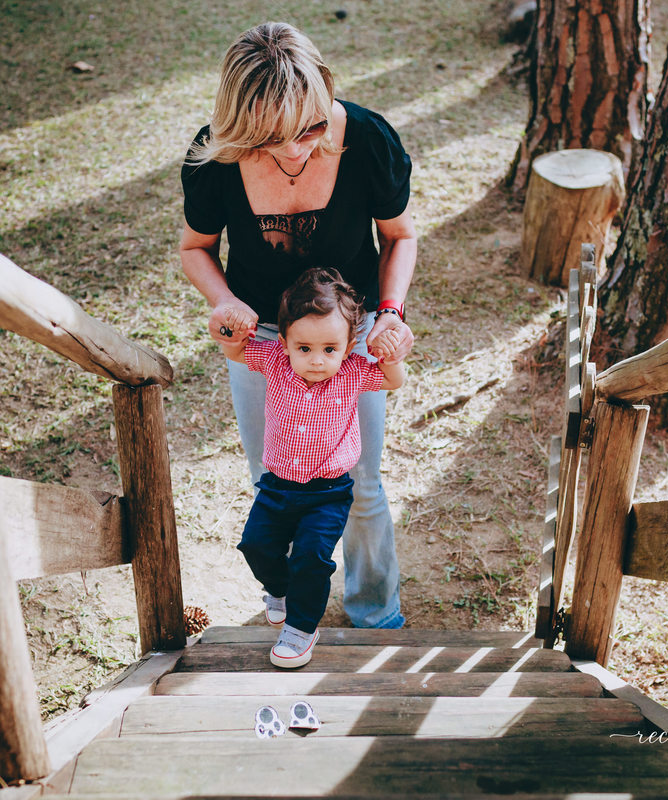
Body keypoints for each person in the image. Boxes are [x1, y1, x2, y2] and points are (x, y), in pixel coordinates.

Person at [180, 21, 417, 629]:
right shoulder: (215, 155)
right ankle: (286, 601)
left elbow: (400, 236)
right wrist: (223, 301)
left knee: (360, 480)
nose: (295, 150)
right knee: (273, 477)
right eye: (271, 137)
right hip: (262, 336)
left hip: (350, 334)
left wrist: (389, 313)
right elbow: (195, 248)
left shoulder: (366, 138)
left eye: (311, 128)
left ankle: (375, 614)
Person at [218, 268, 406, 667]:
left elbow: (394, 381)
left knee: (311, 558)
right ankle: (280, 590)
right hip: (276, 487)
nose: (317, 361)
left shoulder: (354, 372)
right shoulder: (273, 362)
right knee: (255, 545)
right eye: (303, 348)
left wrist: (392, 354)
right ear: (284, 341)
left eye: (329, 349)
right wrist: (230, 328)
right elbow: (235, 351)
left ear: (348, 345)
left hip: (328, 493)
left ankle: (302, 628)